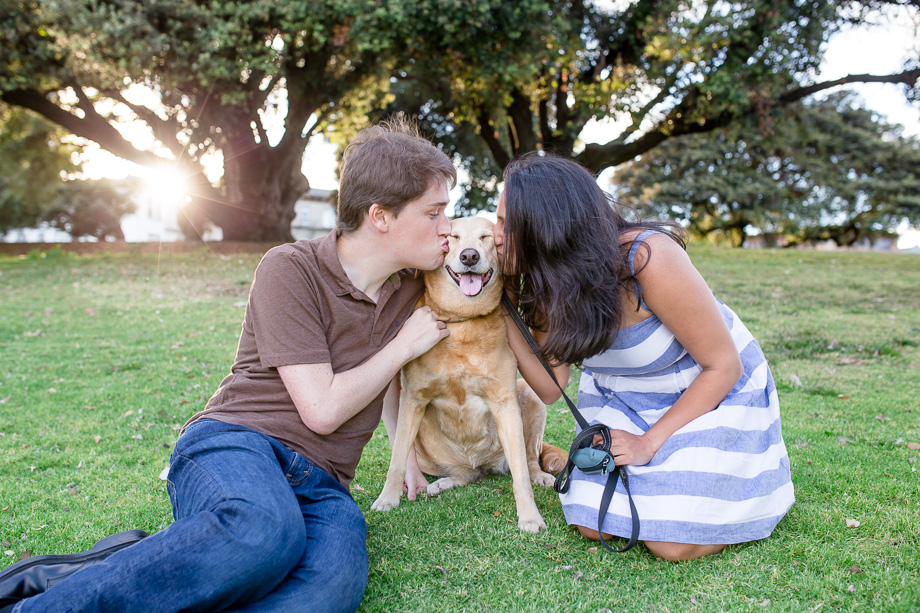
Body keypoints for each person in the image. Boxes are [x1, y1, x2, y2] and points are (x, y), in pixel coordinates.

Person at [0, 119, 455, 612]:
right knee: (262, 531)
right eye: (433, 213)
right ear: (380, 216)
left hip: (324, 482)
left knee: (329, 588)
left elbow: (505, 266)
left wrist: (402, 453)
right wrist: (406, 344)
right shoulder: (290, 268)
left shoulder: (415, 284)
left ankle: (138, 560)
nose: (447, 227)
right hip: (237, 444)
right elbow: (322, 410)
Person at [494, 153, 794, 562]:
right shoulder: (550, 284)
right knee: (591, 523)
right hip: (626, 400)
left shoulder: (646, 257)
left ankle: (738, 490)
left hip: (708, 394)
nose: (494, 234)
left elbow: (723, 366)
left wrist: (650, 443)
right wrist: (504, 302)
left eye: (503, 223)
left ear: (544, 227)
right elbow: (549, 387)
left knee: (671, 545)